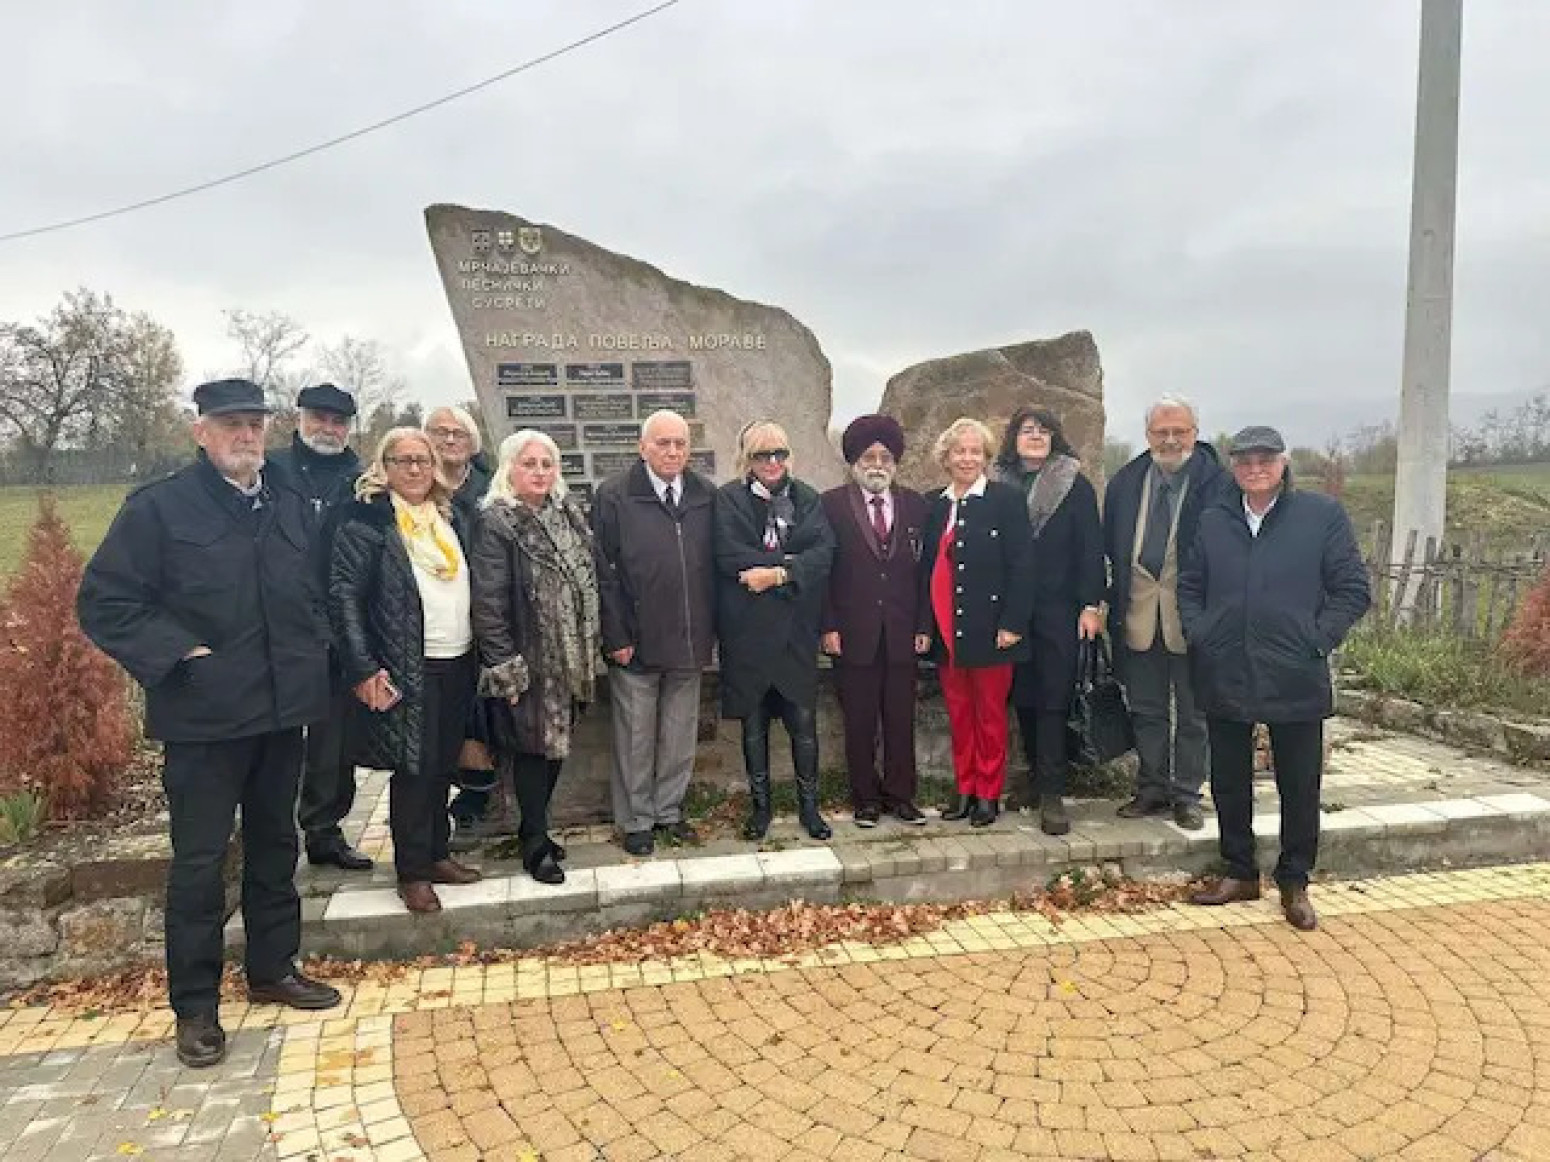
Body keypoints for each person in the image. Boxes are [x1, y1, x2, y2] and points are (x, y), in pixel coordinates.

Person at [78, 378, 341, 1070]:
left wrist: (315, 650)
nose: (245, 435)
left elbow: (310, 589)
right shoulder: (160, 510)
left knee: (275, 845)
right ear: (200, 432)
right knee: (198, 866)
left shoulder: (285, 502)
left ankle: (271, 967)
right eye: (230, 424)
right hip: (204, 720)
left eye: (254, 424)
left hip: (282, 713)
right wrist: (182, 656)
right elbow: (106, 602)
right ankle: (195, 1007)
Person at [1180, 426, 1370, 931]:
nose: (1254, 469)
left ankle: (1294, 880)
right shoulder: (1214, 519)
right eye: (1244, 461)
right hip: (1225, 666)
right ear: (1233, 468)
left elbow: (1352, 589)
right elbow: (1190, 584)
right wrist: (1201, 631)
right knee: (1228, 780)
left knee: (1299, 784)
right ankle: (1239, 871)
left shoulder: (1319, 516)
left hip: (1294, 669)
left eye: (1265, 459)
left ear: (1283, 463)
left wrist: (1316, 638)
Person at [330, 428, 482, 914]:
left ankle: (437, 853)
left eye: (423, 460)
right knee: (413, 767)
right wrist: (362, 667)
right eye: (403, 461)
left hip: (455, 656)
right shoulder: (368, 523)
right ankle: (412, 870)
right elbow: (345, 598)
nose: (414, 470)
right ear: (384, 467)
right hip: (404, 663)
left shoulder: (448, 516)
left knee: (441, 763)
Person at [470, 430, 620, 884]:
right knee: (533, 752)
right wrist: (506, 668)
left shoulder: (567, 514)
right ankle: (534, 844)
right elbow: (488, 603)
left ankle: (536, 829)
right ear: (509, 470)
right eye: (528, 463)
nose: (538, 472)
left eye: (546, 464)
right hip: (529, 660)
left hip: (570, 658)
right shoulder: (497, 522)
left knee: (555, 748)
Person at [592, 410, 716, 857]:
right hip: (636, 641)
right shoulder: (615, 496)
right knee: (635, 735)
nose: (672, 451)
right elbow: (602, 572)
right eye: (662, 443)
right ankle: (636, 819)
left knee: (679, 733)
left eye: (680, 443)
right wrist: (615, 634)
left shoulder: (705, 495)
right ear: (642, 447)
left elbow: (714, 568)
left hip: (689, 638)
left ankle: (669, 811)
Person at [1103, 395, 1225, 832]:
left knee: (1193, 713)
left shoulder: (1218, 484)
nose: (1171, 440)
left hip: (1193, 619)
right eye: (1162, 432)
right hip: (1137, 613)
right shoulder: (1125, 483)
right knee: (1147, 708)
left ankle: (1188, 793)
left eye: (1180, 431)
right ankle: (1151, 787)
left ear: (1195, 432)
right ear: (1148, 435)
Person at [267, 383, 373, 871]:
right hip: (280, 626)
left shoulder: (361, 478)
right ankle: (269, 835)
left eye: (338, 422)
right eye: (320, 419)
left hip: (340, 626)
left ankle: (324, 831)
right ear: (301, 419)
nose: (328, 429)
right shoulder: (271, 472)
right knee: (276, 740)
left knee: (334, 741)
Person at [715, 421, 836, 841]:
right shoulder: (728, 500)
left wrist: (779, 574)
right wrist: (789, 560)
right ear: (747, 459)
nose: (772, 463)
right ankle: (761, 809)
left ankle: (809, 807)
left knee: (804, 726)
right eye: (763, 455)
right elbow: (730, 554)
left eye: (780, 454)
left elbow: (823, 553)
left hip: (795, 634)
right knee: (754, 728)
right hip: (747, 636)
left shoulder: (807, 498)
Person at [993, 408, 1105, 836]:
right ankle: (1036, 777)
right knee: (1022, 696)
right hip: (1010, 612)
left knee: (1054, 699)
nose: (1035, 436)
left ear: (1055, 436)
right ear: (1013, 438)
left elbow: (1090, 548)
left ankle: (1054, 792)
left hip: (1059, 609)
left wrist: (1091, 605)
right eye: (1026, 430)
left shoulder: (1074, 484)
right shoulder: (997, 482)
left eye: (1043, 429)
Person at [917, 417, 1035, 827]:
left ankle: (988, 793)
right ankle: (964, 790)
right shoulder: (935, 503)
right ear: (945, 458)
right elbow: (925, 569)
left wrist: (1013, 623)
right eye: (958, 451)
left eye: (974, 452)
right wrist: (923, 628)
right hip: (949, 631)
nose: (966, 458)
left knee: (990, 716)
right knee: (959, 714)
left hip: (993, 632)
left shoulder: (1006, 499)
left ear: (985, 457)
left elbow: (1023, 566)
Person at [821, 414, 929, 827]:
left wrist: (923, 627)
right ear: (854, 461)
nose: (878, 464)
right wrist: (828, 626)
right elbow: (824, 573)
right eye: (869, 456)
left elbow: (926, 572)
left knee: (901, 720)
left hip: (903, 633)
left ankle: (901, 796)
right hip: (852, 634)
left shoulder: (917, 505)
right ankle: (865, 798)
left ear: (896, 461)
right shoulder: (830, 505)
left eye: (885, 456)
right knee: (860, 721)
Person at [422, 406, 501, 846]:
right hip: (432, 629)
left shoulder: (490, 491)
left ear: (472, 443)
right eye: (440, 433)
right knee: (438, 725)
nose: (450, 440)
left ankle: (474, 803)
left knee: (481, 720)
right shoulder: (414, 491)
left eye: (458, 434)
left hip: (482, 621)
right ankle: (432, 820)